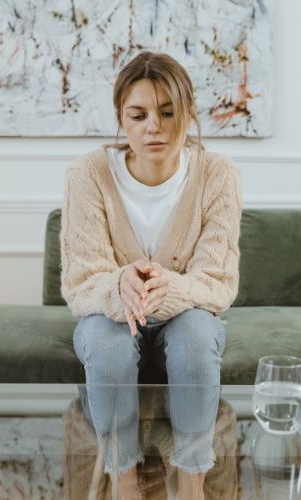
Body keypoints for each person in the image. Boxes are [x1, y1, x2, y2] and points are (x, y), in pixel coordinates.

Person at [60, 51, 242, 500]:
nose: (153, 127)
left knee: (198, 335)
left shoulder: (219, 174)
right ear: (121, 118)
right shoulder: (87, 174)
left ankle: (192, 481)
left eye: (167, 113)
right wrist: (117, 283)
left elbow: (217, 282)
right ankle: (123, 480)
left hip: (187, 313)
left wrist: (170, 285)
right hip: (110, 313)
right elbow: (81, 281)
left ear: (190, 113)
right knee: (106, 342)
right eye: (137, 115)